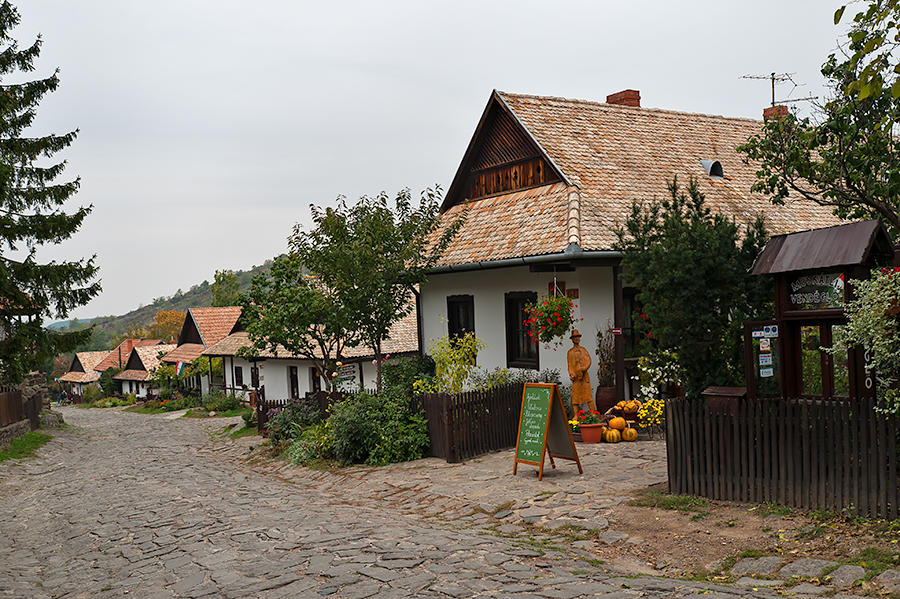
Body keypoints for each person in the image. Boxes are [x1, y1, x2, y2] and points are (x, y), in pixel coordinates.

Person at [567, 329, 596, 412]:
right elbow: (569, 365)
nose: (577, 339)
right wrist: (571, 374)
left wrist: (583, 369)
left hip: (584, 377)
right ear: (572, 339)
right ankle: (576, 415)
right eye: (575, 337)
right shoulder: (570, 352)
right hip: (576, 378)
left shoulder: (583, 350)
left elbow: (588, 361)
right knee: (575, 398)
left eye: (578, 337)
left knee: (588, 397)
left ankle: (594, 413)